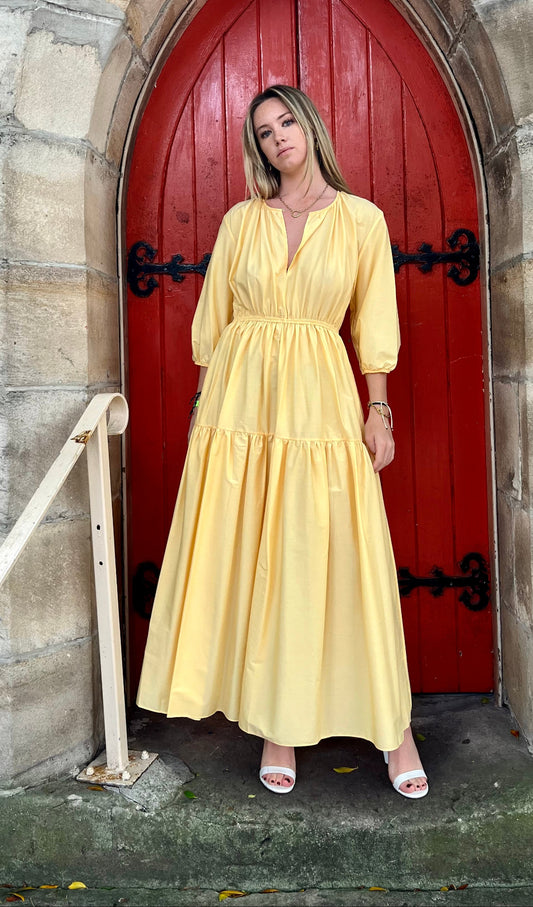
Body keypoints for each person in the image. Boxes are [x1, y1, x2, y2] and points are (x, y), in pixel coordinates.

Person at [137, 84, 428, 800]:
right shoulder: (242, 220)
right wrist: (202, 407)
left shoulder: (361, 219)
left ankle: (395, 730)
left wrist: (378, 409)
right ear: (258, 149)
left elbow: (374, 322)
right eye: (264, 132)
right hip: (239, 405)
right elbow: (213, 319)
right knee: (253, 550)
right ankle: (277, 727)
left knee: (335, 550)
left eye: (286, 122)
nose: (277, 138)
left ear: (311, 127)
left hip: (318, 397)